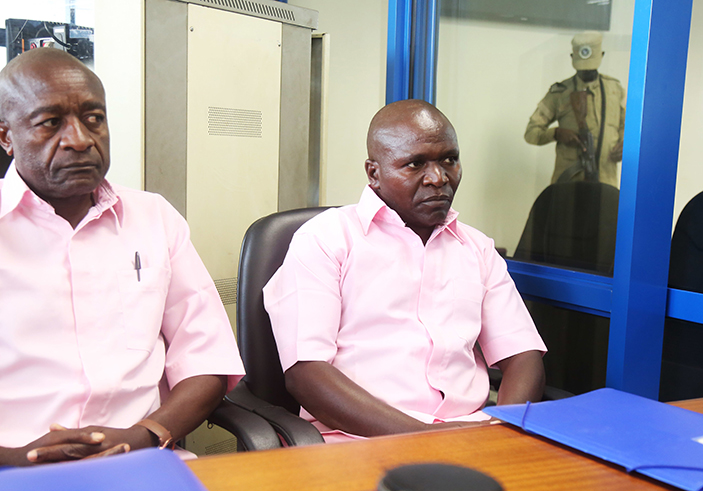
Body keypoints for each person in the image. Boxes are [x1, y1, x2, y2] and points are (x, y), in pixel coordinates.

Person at [0, 48, 244, 471]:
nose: (80, 139)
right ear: (5, 136)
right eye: (50, 123)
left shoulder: (155, 219)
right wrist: (11, 461)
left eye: (93, 118)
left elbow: (207, 358)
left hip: (139, 464)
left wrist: (146, 434)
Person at [264, 99, 546, 443]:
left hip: (474, 436)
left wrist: (504, 432)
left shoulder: (477, 248)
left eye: (449, 159)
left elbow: (523, 356)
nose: (438, 178)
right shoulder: (325, 240)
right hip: (358, 441)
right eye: (415, 164)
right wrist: (427, 437)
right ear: (374, 173)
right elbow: (306, 374)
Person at [524, 31, 626, 188]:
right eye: (582, 68)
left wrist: (626, 145)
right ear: (572, 57)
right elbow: (531, 133)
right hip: (568, 186)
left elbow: (630, 128)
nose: (586, 72)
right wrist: (556, 133)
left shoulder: (615, 90)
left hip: (606, 184)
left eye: (591, 68)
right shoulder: (560, 93)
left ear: (602, 55)